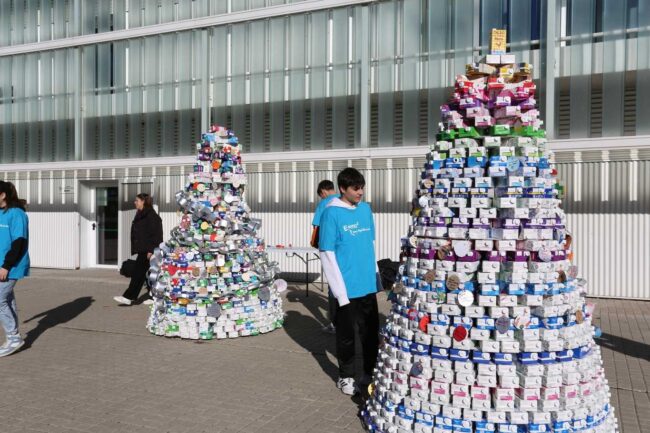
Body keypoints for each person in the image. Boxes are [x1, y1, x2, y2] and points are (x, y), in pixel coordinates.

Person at [319, 168, 381, 395]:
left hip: (367, 285)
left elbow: (369, 245)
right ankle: (345, 376)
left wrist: (376, 278)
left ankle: (369, 372)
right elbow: (327, 253)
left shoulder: (365, 210)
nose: (360, 192)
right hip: (345, 288)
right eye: (356, 188)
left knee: (371, 333)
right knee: (347, 337)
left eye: (362, 187)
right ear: (343, 189)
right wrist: (340, 292)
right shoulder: (331, 213)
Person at [114, 193, 163, 306]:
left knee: (139, 274)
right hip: (143, 248)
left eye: (137, 200)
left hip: (147, 250)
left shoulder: (151, 216)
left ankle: (128, 297)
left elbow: (157, 234)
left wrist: (151, 250)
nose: (135, 202)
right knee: (143, 274)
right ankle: (151, 296)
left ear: (143, 202)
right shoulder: (141, 214)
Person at [0, 181, 30, 358]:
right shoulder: (1, 213)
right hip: (2, 266)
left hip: (11, 266)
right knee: (7, 299)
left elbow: (19, 243)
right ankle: (13, 337)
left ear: (3, 195)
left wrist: (6, 266)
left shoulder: (17, 214)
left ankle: (13, 337)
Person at [310, 179, 338, 334]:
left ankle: (335, 324)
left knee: (334, 287)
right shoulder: (346, 200)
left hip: (331, 251)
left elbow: (316, 228)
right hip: (348, 251)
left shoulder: (325, 204)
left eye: (321, 195)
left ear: (323, 192)